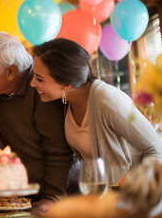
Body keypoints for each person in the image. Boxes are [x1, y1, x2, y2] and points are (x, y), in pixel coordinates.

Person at [30, 38, 162, 174]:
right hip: (103, 193)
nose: (32, 84)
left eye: (39, 79)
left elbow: (156, 149)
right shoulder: (65, 103)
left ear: (66, 84)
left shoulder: (108, 100)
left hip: (132, 193)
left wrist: (134, 184)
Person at [0, 32, 73, 211]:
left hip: (61, 198)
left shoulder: (41, 90)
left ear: (11, 71)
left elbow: (60, 152)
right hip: (23, 197)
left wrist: (52, 197)